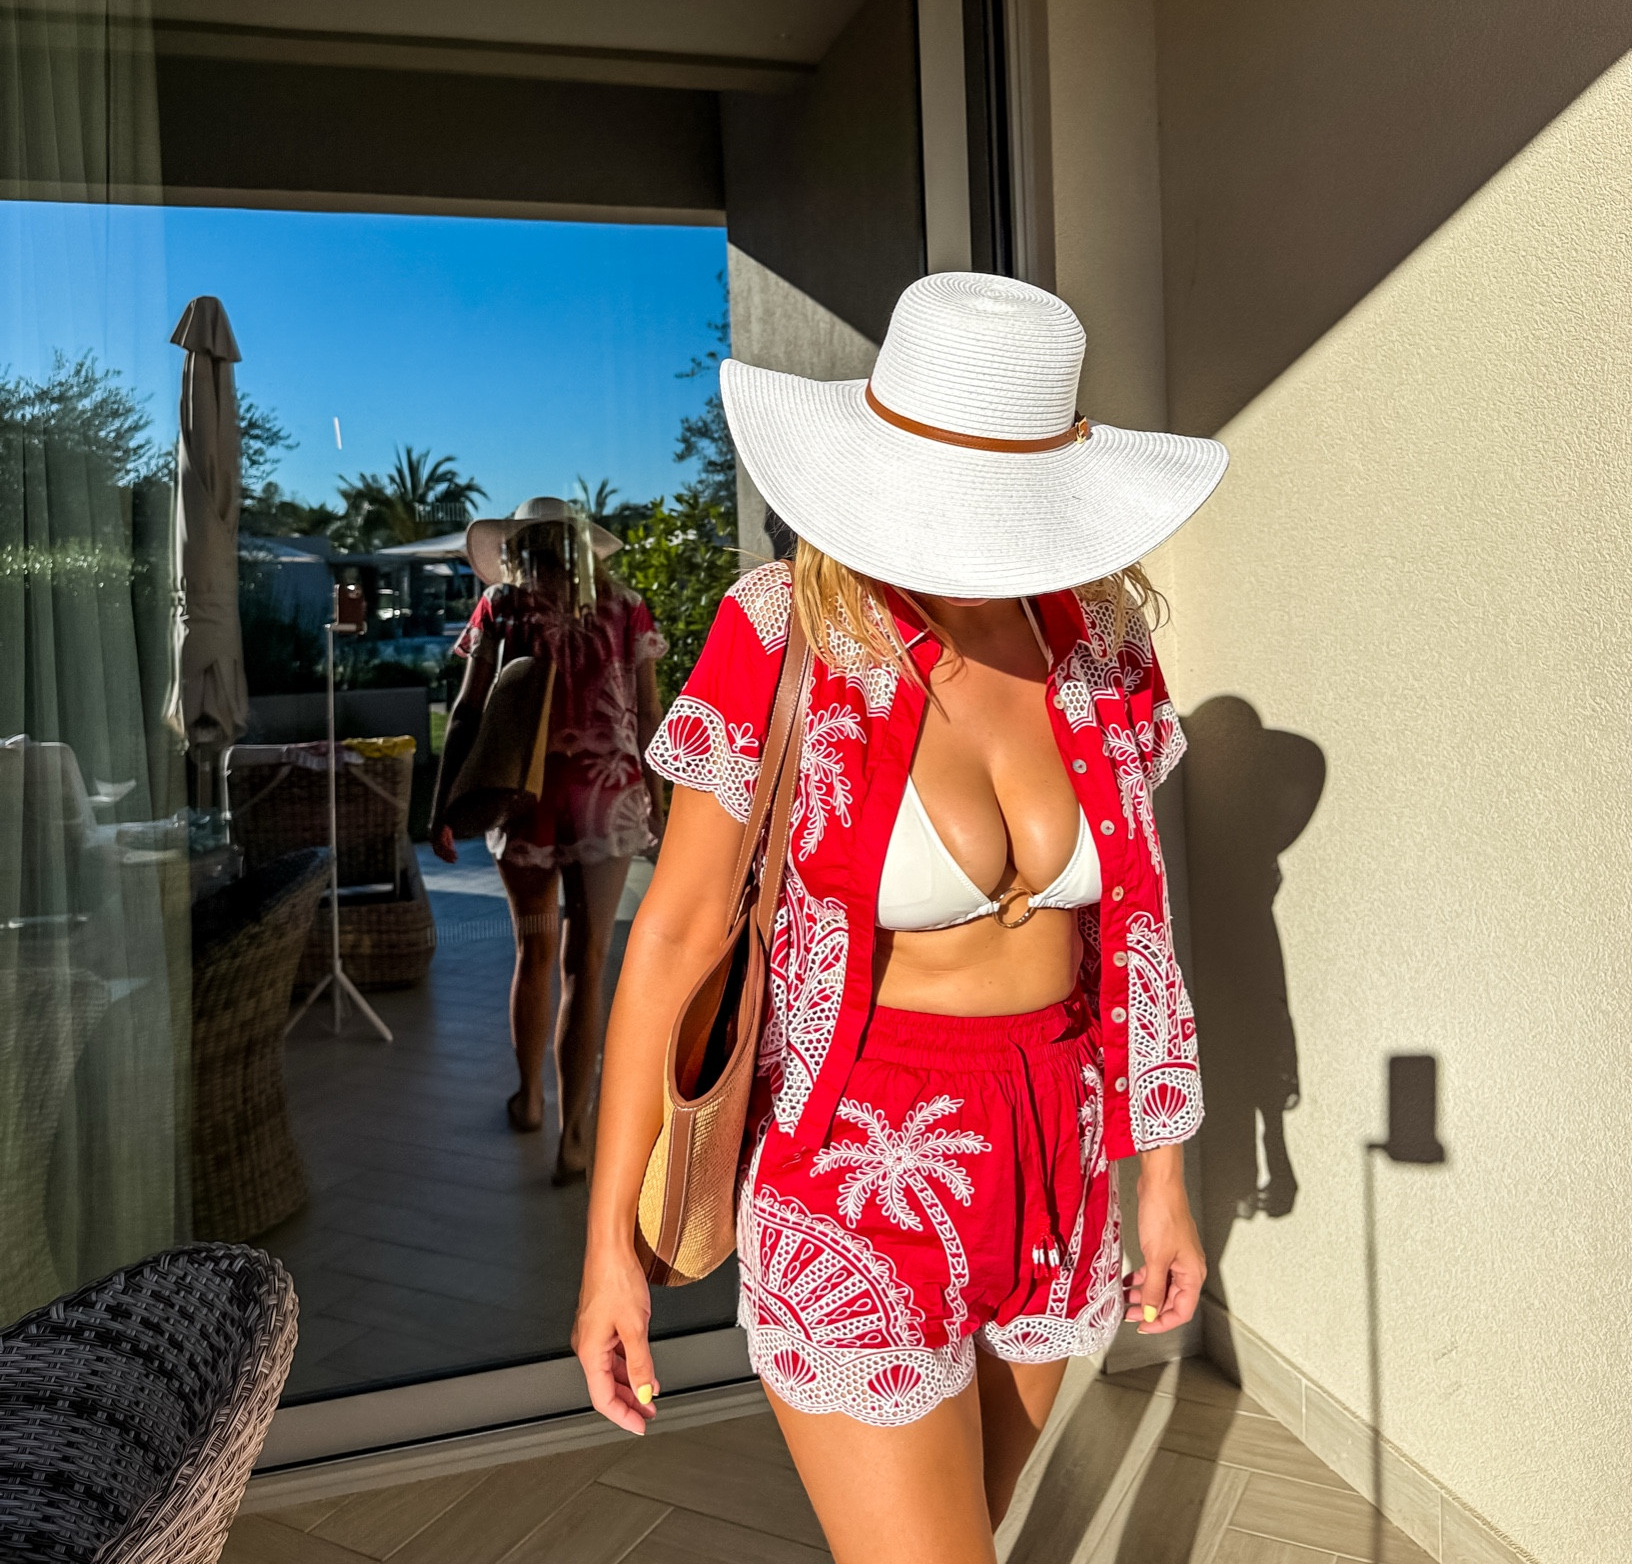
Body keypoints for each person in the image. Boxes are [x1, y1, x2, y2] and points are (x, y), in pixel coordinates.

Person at [572, 275, 1230, 1563]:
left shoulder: (1098, 645)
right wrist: (609, 1247)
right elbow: (674, 934)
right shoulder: (788, 630)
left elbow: (1138, 933)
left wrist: (1166, 1181)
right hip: (851, 1170)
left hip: (1052, 1152)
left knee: (962, 1531)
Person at [429, 497, 667, 1182]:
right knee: (585, 964)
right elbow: (648, 711)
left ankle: (531, 1100)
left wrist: (444, 805)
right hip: (606, 799)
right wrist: (659, 805)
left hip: (523, 801)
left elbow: (469, 709)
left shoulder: (502, 606)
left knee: (533, 949)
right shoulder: (626, 606)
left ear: (521, 545)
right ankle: (576, 1136)